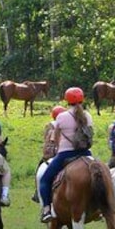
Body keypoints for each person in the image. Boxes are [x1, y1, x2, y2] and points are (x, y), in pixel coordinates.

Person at [39, 87, 94, 222]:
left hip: (65, 154)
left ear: (66, 100)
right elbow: (91, 135)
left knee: (44, 180)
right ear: (82, 99)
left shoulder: (62, 117)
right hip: (85, 153)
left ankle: (46, 209)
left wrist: (58, 147)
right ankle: (102, 207)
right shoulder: (87, 116)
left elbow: (55, 139)